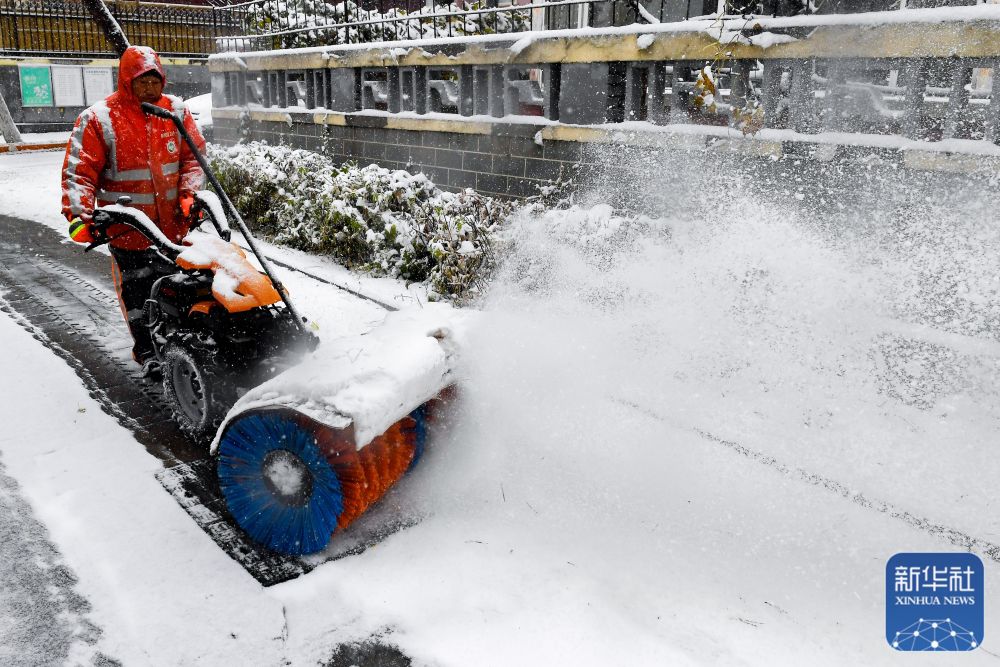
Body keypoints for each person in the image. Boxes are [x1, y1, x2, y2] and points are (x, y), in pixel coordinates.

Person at [61, 45, 206, 371]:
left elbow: (194, 159)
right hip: (128, 231)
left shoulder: (176, 112)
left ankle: (184, 348)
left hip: (174, 229)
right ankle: (149, 353)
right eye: (143, 82)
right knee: (139, 298)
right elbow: (79, 173)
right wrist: (81, 217)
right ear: (127, 81)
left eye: (156, 81)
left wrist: (189, 195)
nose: (151, 89)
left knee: (180, 292)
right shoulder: (100, 119)